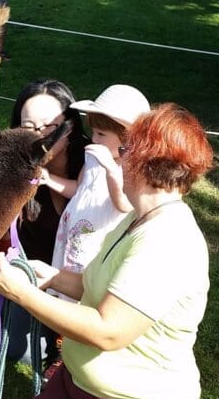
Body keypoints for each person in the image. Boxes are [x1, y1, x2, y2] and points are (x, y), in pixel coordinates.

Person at [0, 103, 214, 399]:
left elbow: (108, 331)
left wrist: (25, 295)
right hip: (79, 384)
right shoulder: (136, 217)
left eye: (124, 149)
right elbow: (96, 285)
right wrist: (51, 277)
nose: (115, 154)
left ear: (143, 161)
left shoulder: (167, 240)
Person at [0, 79, 89, 364]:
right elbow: (0, 240)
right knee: (17, 351)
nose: (39, 137)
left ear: (69, 126)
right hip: (38, 279)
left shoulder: (94, 163)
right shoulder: (17, 170)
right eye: (28, 127)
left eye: (49, 126)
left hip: (87, 283)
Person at [51, 84, 151, 280]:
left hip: (97, 240)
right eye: (94, 132)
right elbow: (79, 189)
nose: (94, 139)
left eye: (102, 134)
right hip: (75, 235)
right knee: (66, 275)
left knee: (87, 281)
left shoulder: (130, 168)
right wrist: (49, 180)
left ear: (127, 138)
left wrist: (111, 169)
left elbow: (123, 204)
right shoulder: (92, 159)